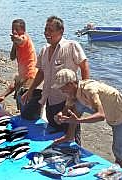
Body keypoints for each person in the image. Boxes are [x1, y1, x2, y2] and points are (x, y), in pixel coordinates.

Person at [21, 16, 90, 145]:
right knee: (53, 132)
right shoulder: (44, 49)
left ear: (61, 31)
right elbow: (41, 72)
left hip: (67, 102)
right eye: (45, 29)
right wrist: (30, 90)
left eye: (51, 30)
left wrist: (83, 92)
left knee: (71, 138)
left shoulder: (71, 46)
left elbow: (84, 66)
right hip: (49, 100)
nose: (47, 33)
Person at [52, 68, 122, 167]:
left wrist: (78, 120)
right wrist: (60, 115)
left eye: (62, 88)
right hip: (106, 110)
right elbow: (67, 109)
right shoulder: (74, 92)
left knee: (118, 148)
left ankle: (120, 164)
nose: (61, 91)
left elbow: (101, 116)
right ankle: (69, 136)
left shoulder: (89, 90)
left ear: (70, 84)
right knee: (77, 106)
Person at [0, 19, 41, 120]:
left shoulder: (25, 38)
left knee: (26, 100)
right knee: (16, 86)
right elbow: (12, 56)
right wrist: (14, 43)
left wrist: (16, 39)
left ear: (23, 30)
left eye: (17, 29)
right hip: (22, 73)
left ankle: (30, 118)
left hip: (31, 73)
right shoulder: (16, 42)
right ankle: (3, 96)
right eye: (12, 29)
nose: (14, 31)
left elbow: (21, 40)